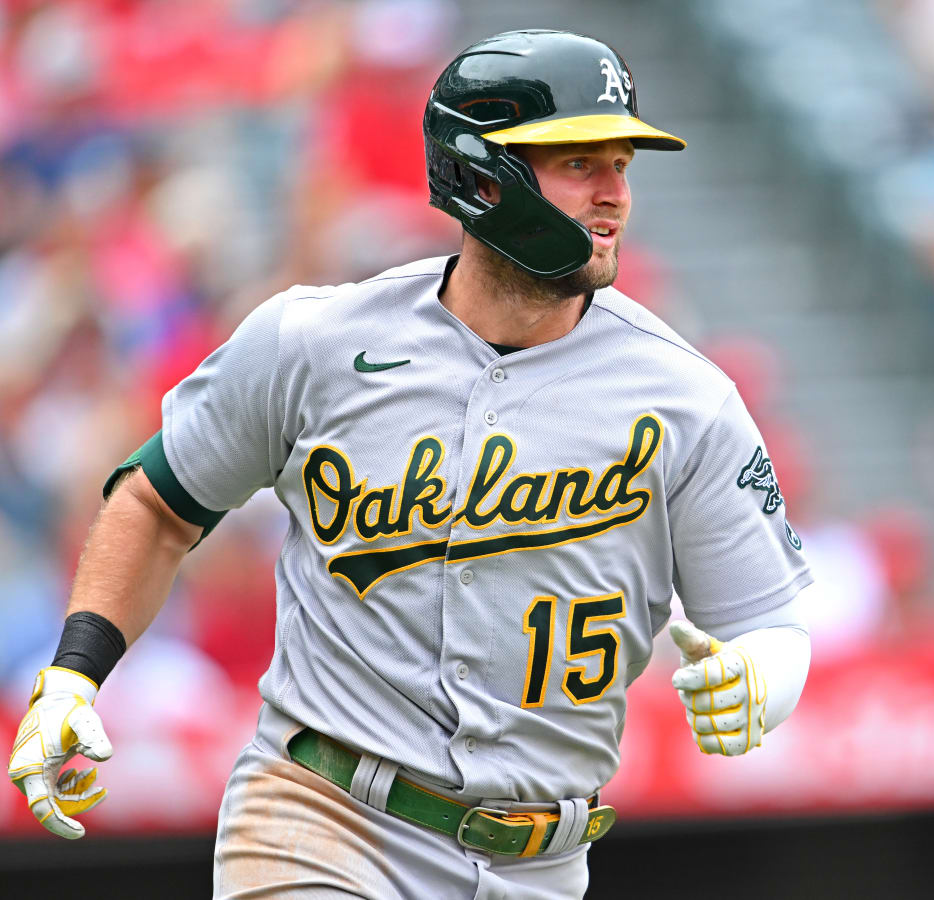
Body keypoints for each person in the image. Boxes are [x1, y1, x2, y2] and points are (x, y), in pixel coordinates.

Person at [8, 30, 813, 898]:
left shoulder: (686, 395)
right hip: (322, 817)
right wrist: (72, 675)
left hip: (544, 862)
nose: (614, 194)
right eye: (580, 162)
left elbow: (771, 617)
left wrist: (762, 679)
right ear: (481, 171)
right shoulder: (314, 341)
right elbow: (159, 503)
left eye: (622, 164)